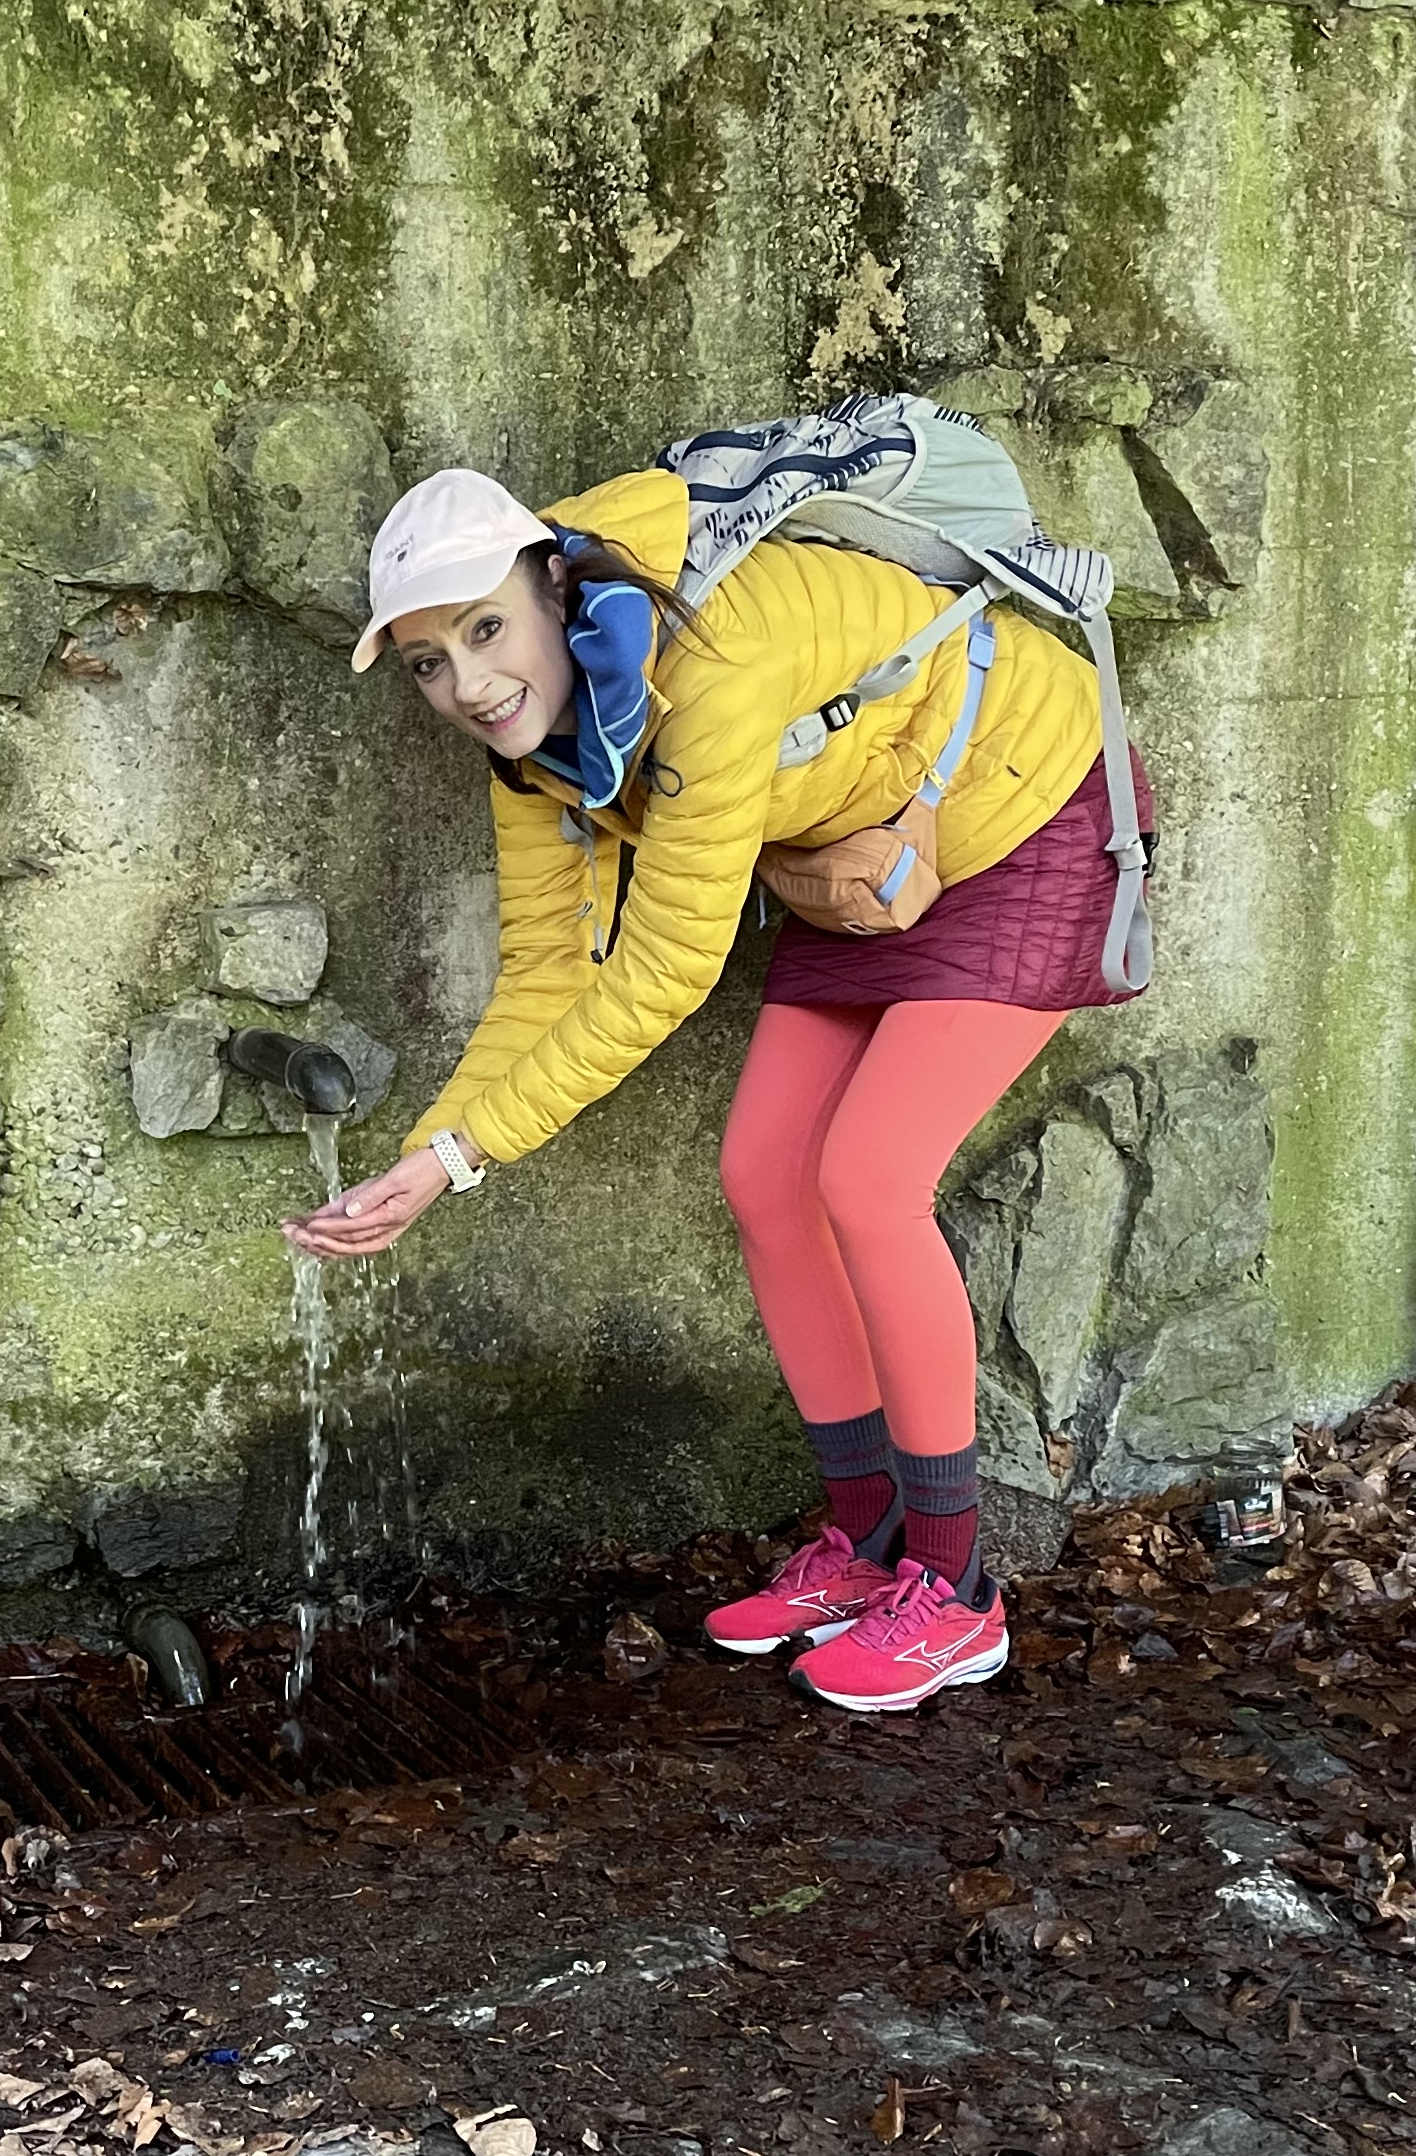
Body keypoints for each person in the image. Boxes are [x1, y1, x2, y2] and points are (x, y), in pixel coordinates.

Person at [284, 461, 1142, 1712]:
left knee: (868, 1178)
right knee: (765, 1176)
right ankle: (867, 1549)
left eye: (483, 631)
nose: (468, 686)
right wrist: (432, 1154)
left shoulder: (708, 668)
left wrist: (462, 1160)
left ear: (553, 584)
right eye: (427, 663)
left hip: (1030, 807)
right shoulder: (542, 746)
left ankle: (956, 1595)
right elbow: (544, 973)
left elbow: (663, 971)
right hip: (871, 846)